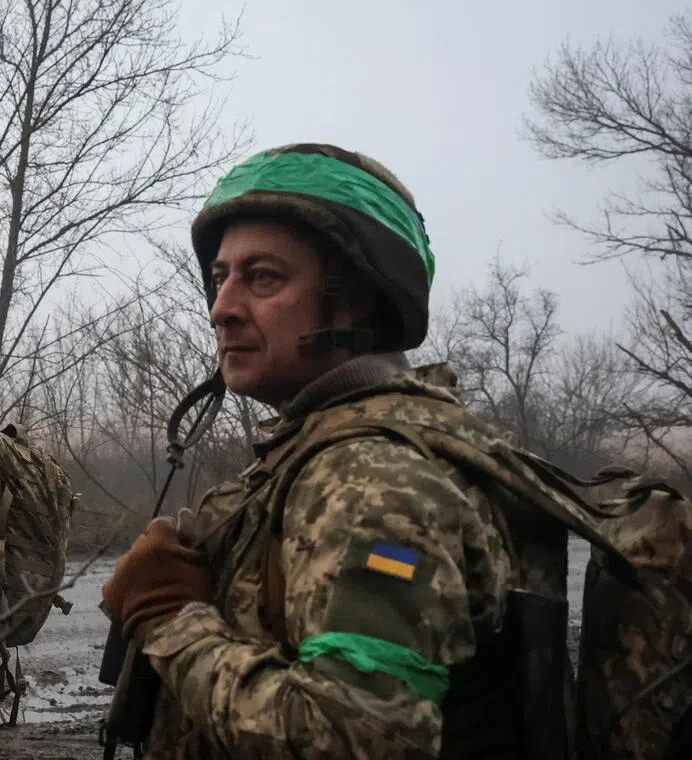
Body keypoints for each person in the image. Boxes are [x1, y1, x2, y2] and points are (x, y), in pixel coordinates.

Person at [100, 144, 583, 758]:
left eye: (263, 277)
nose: (222, 308)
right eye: (220, 278)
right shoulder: (319, 450)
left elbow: (356, 736)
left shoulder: (374, 476)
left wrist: (170, 619)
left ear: (356, 299)